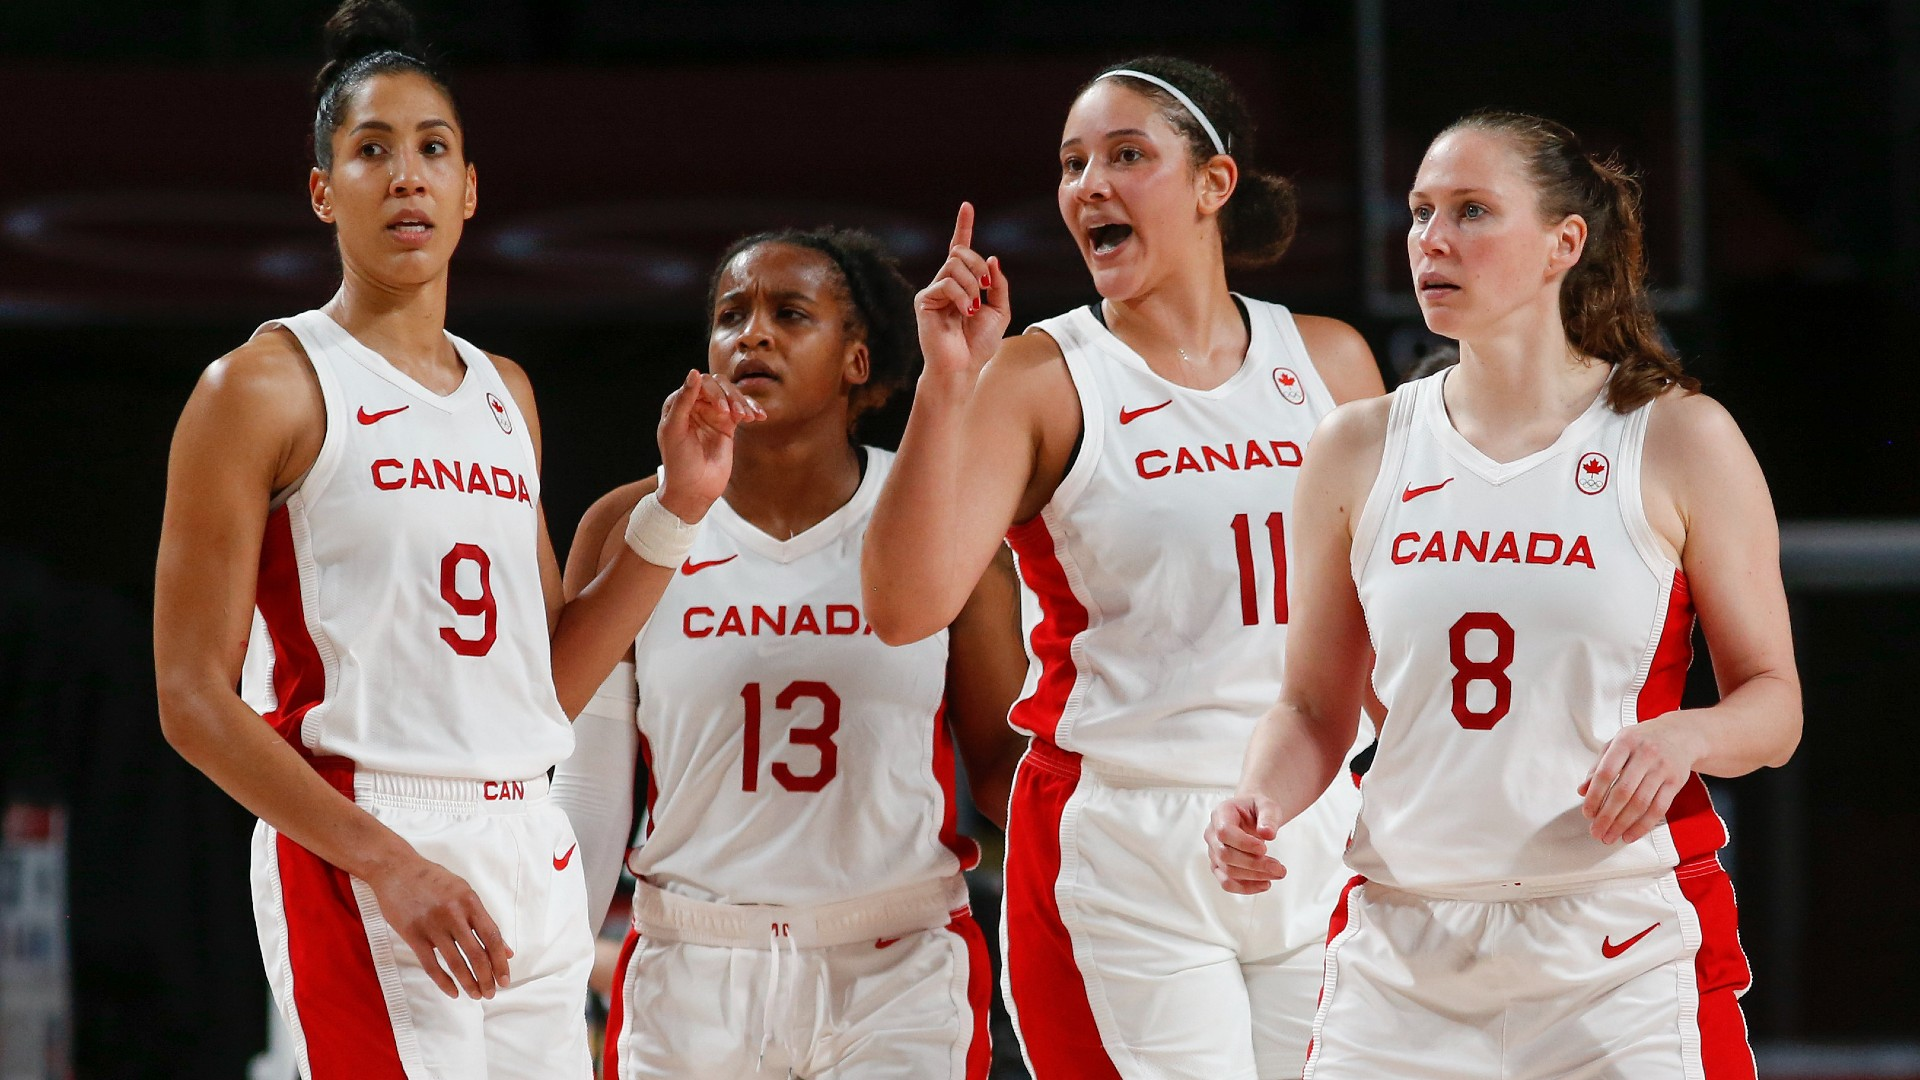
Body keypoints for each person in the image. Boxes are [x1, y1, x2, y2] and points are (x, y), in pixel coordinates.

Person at [151, 2, 759, 1075]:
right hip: (361, 839)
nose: (406, 176)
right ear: (321, 191)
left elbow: (547, 682)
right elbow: (192, 701)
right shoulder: (261, 386)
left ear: (471, 189)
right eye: (370, 150)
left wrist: (682, 507)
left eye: (433, 149)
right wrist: (390, 863)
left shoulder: (503, 395)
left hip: (526, 838)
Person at [1206, 111, 1801, 1079]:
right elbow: (1314, 707)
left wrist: (1685, 736)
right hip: (1405, 949)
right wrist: (1256, 801)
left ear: (1566, 244)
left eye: (1472, 212)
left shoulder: (1679, 438)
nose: (1431, 241)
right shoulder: (1357, 448)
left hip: (1617, 945)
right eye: (1420, 213)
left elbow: (1775, 702)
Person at [864, 56, 1386, 1079]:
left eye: (1126, 155)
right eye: (1071, 165)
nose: (1088, 185)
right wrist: (946, 388)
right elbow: (902, 604)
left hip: (1313, 818)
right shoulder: (1042, 373)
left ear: (1212, 184)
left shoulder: (1330, 362)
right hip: (1127, 835)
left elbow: (1392, 618)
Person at [552, 228, 1029, 1079]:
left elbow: (1000, 762)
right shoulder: (627, 523)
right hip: (690, 960)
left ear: (856, 360)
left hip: (897, 957)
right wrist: (547, 968)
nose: (753, 334)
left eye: (790, 313)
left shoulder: (941, 522)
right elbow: (589, 787)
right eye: (731, 315)